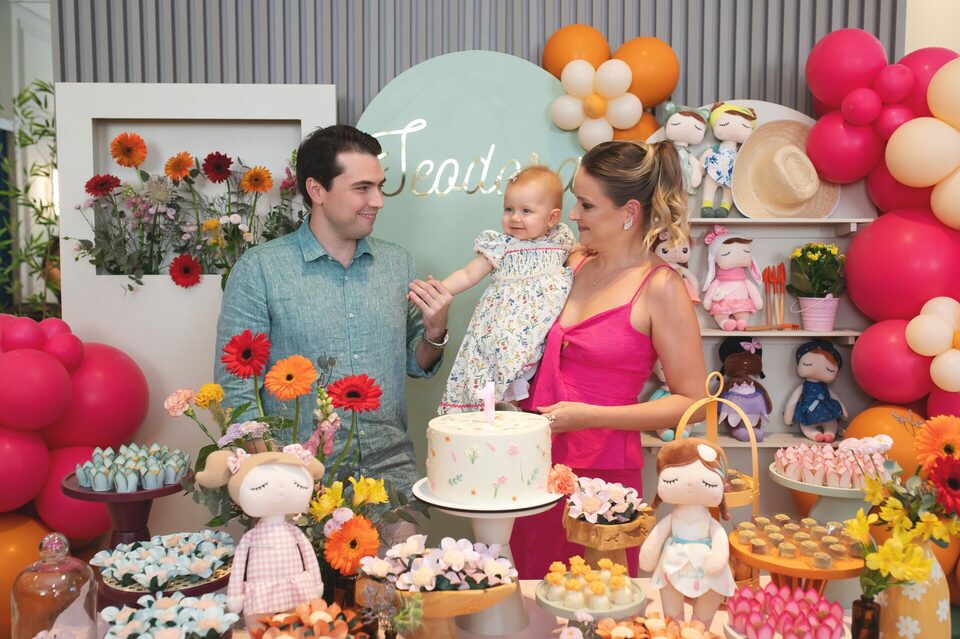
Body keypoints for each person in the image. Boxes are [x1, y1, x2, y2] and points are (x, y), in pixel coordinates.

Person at [215, 125, 452, 497]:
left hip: (390, 468)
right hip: (297, 474)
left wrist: (435, 331)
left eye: (379, 186)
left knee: (408, 539)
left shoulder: (397, 264)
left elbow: (415, 363)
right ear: (317, 190)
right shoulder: (260, 270)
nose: (378, 200)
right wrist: (271, 477)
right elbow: (236, 387)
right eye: (362, 188)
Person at [510, 139, 707, 578]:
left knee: (595, 596)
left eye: (586, 205)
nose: (573, 214)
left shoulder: (660, 287)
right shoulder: (572, 264)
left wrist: (591, 416)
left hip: (602, 478)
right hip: (534, 464)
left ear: (628, 213)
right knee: (530, 588)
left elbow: (692, 402)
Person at [438, 166, 575, 413]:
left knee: (539, 364)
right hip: (504, 324)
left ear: (552, 218)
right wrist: (441, 289)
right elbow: (469, 274)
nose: (514, 218)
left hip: (542, 321)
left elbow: (580, 253)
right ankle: (498, 406)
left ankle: (518, 406)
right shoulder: (502, 245)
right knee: (499, 360)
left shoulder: (560, 240)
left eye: (526, 211)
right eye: (509, 209)